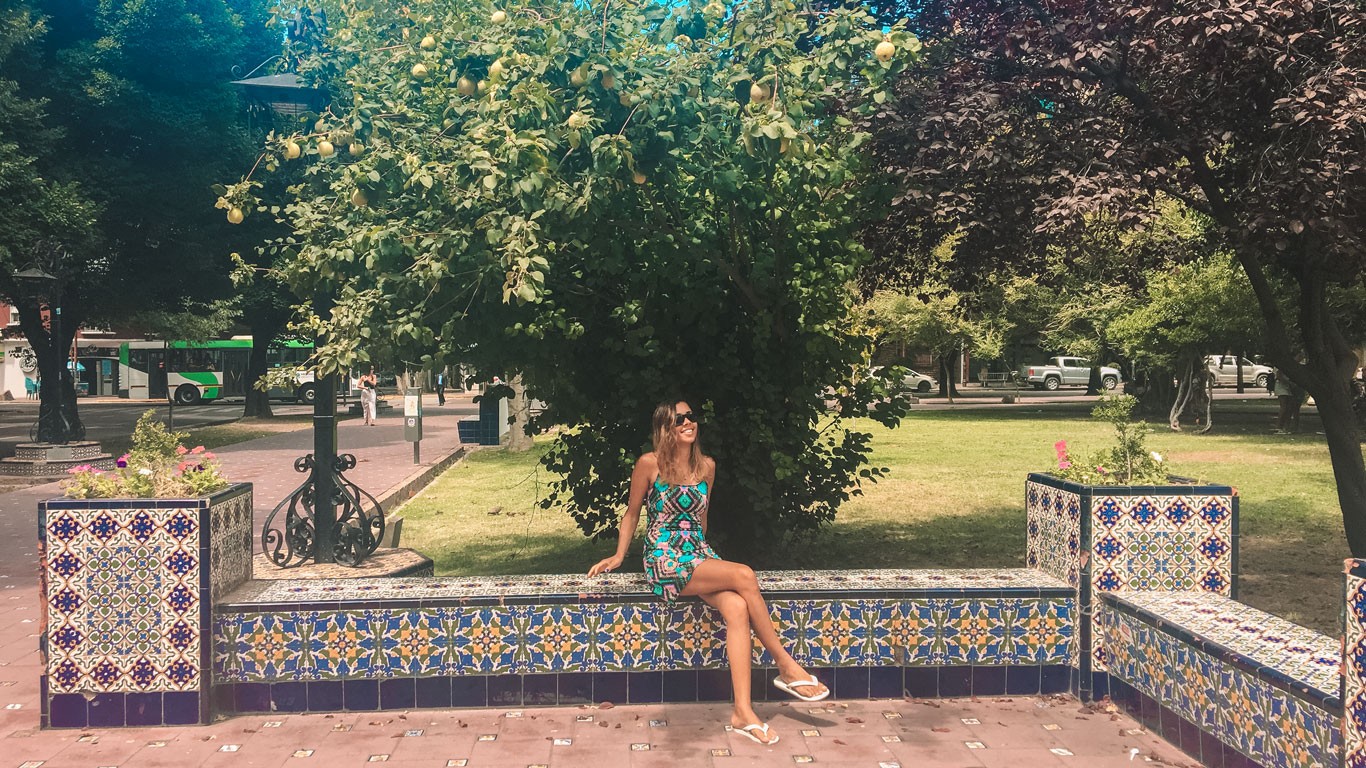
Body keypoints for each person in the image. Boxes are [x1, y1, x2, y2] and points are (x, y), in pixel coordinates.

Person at [588, 400, 829, 746]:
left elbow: (702, 520)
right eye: (679, 419)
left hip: (696, 553)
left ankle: (743, 712)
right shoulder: (649, 464)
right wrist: (618, 555)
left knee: (737, 607)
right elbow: (631, 513)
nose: (688, 423)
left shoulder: (707, 467)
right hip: (664, 556)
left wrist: (707, 558)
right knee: (745, 575)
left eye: (691, 417)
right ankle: (787, 666)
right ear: (665, 428)